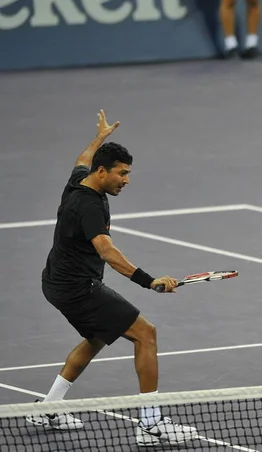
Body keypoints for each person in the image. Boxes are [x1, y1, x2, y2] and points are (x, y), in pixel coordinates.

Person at [26, 110, 198, 446]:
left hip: (56, 282)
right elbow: (106, 251)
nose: (126, 180)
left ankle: (49, 406)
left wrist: (100, 138)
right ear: (102, 172)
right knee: (145, 334)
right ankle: (150, 424)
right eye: (122, 173)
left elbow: (82, 157)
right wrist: (150, 281)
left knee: (96, 337)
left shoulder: (79, 180)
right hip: (78, 288)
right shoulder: (89, 206)